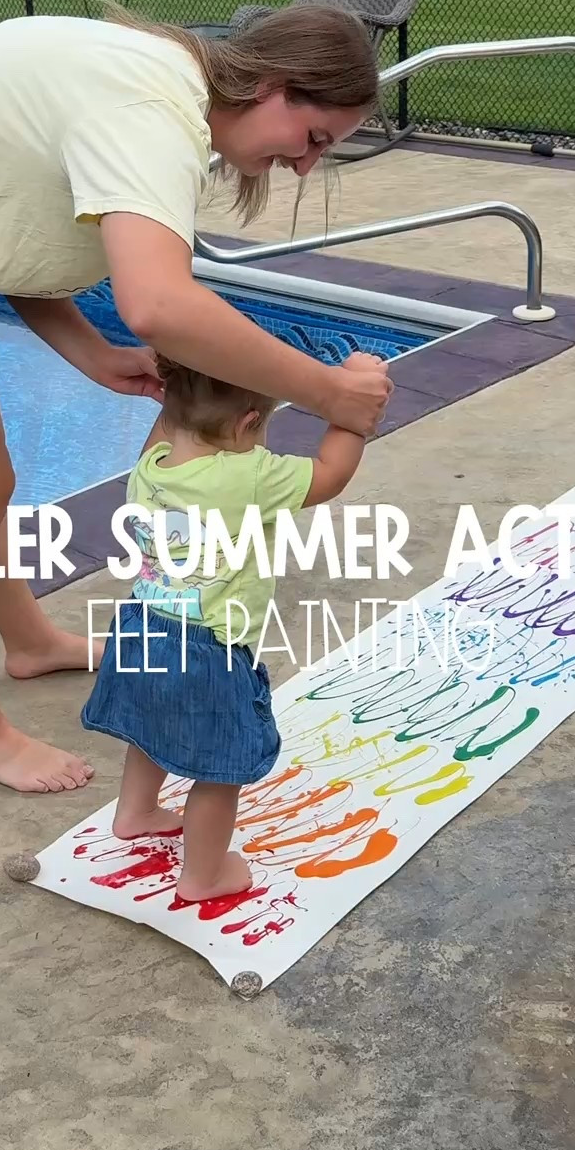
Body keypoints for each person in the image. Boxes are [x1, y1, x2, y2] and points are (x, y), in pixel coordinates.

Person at [0, 6, 393, 795]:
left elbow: (14, 210)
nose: (303, 166)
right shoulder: (152, 115)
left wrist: (88, 353)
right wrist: (330, 391)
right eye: (315, 139)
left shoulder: (167, 86)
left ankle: (28, 641)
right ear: (272, 87)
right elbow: (158, 305)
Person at [81, 350, 375, 904]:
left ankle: (136, 812)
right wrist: (353, 406)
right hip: (208, 649)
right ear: (248, 422)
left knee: (149, 727)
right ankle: (203, 876)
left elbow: (171, 421)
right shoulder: (250, 476)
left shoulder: (152, 465)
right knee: (220, 767)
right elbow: (331, 474)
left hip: (140, 625)